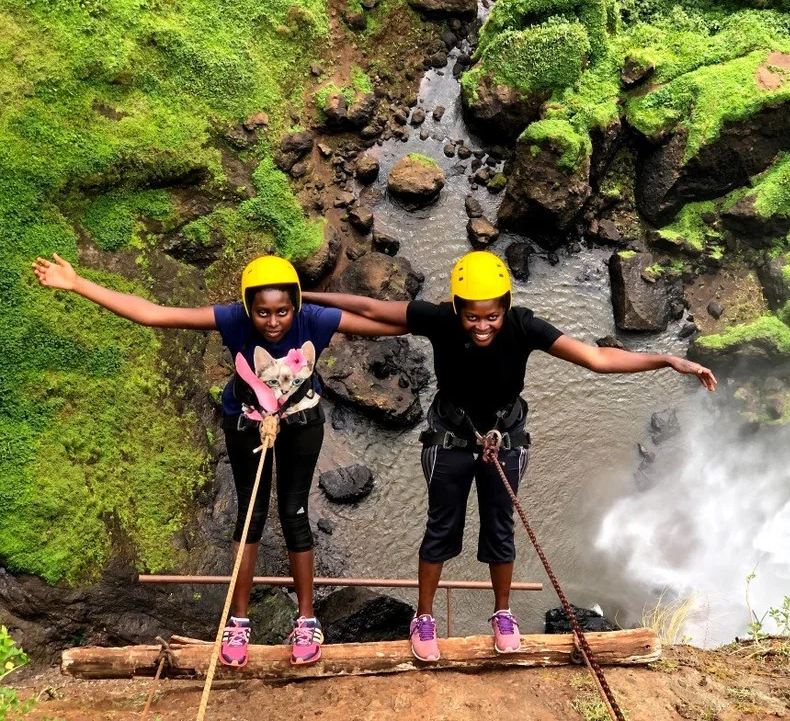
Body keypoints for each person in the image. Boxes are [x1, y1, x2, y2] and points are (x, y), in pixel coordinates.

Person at [303, 250, 717, 661]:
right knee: (441, 529)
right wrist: (307, 299)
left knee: (500, 528)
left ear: (506, 307)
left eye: (492, 316)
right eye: (472, 317)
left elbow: (596, 358)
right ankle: (424, 618)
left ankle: (503, 614)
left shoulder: (524, 326)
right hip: (451, 440)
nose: (482, 327)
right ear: (457, 308)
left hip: (505, 441)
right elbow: (371, 310)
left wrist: (665, 360)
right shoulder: (439, 320)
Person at [32, 253, 405, 668]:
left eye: (282, 311)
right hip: (247, 422)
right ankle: (238, 620)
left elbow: (385, 323)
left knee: (295, 512)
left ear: (295, 305)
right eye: (262, 312)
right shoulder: (232, 320)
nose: (273, 321)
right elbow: (154, 315)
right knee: (249, 514)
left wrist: (452, 319)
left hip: (301, 422)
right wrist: (79, 283)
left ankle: (306, 619)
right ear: (248, 308)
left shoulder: (313, 319)